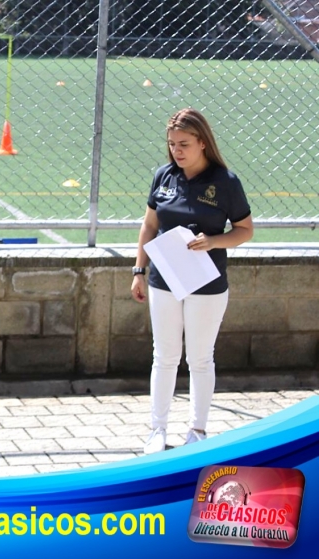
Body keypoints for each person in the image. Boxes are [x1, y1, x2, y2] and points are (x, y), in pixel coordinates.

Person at [131, 108, 253, 455]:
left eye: (184, 144)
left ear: (202, 142)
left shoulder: (226, 182)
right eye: (171, 144)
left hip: (207, 284)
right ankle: (157, 429)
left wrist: (214, 241)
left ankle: (197, 430)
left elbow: (245, 230)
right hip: (163, 280)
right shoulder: (164, 176)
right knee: (164, 356)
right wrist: (139, 271)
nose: (177, 151)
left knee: (200, 358)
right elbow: (149, 226)